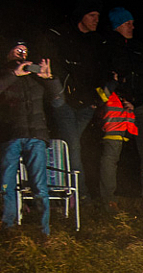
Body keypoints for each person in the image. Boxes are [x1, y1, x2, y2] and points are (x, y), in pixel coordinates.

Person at [1, 40, 64, 236]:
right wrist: (13, 74)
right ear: (8, 53)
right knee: (6, 185)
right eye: (18, 50)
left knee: (39, 186)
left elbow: (58, 101)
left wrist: (49, 78)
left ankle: (42, 231)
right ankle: (8, 228)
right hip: (10, 135)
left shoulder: (36, 78)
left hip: (36, 136)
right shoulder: (4, 74)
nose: (22, 54)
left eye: (25, 51)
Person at [98, 7, 143, 211]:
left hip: (140, 106)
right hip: (117, 105)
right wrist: (120, 96)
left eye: (132, 23)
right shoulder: (107, 46)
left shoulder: (139, 47)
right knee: (112, 153)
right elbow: (106, 75)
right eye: (127, 23)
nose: (132, 27)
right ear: (117, 25)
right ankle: (109, 199)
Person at [47, 2, 103, 201]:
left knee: (71, 146)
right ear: (81, 16)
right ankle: (79, 194)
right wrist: (59, 94)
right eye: (92, 15)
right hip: (65, 103)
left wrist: (97, 100)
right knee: (73, 146)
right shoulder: (61, 35)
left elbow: (99, 73)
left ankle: (64, 190)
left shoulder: (94, 42)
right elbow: (54, 66)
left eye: (98, 16)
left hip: (86, 105)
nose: (96, 20)